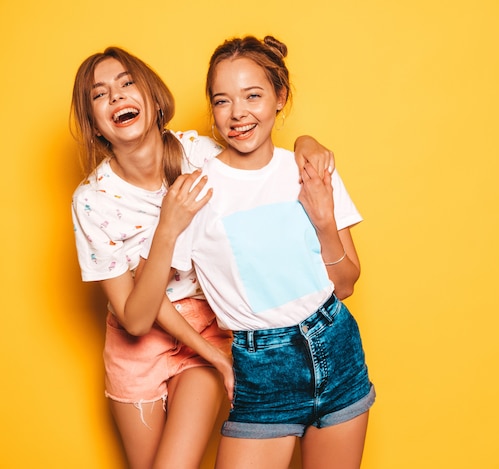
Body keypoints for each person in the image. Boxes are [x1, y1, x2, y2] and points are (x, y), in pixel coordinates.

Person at [70, 46, 335, 469]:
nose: (117, 97)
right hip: (137, 342)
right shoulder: (92, 202)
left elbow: (262, 157)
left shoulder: (200, 155)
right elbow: (137, 318)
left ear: (155, 100)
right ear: (94, 123)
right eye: (100, 95)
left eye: (126, 84)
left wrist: (306, 141)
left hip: (208, 328)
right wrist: (168, 228)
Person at [139, 35, 375, 469]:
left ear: (279, 97)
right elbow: (149, 298)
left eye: (253, 95)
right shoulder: (196, 190)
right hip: (261, 370)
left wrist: (324, 222)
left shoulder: (310, 169)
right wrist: (213, 354)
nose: (238, 114)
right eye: (222, 101)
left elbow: (345, 285)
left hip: (337, 350)